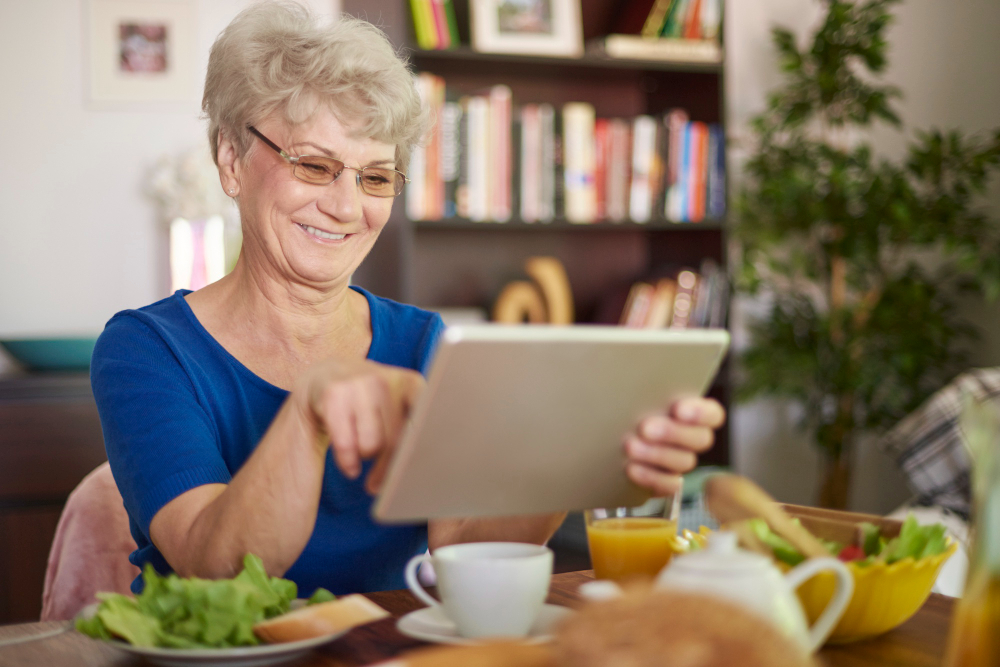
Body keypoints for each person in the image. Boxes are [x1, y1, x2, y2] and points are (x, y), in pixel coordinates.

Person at [92, 0, 727, 597]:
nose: (346, 207)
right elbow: (214, 568)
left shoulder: (426, 344)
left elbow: (463, 551)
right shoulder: (147, 351)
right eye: (314, 165)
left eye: (374, 177)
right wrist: (310, 411)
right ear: (230, 159)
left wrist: (576, 459)